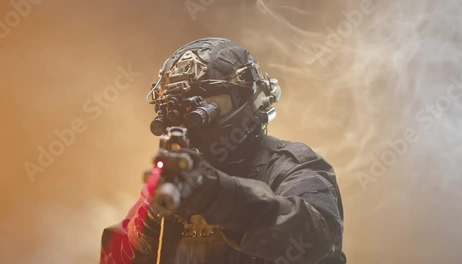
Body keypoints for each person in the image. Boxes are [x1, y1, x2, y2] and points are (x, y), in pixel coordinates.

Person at [100, 37, 346, 264]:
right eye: (179, 111)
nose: (189, 122)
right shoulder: (175, 181)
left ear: (245, 99)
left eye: (205, 108)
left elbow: (315, 236)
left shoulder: (291, 167)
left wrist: (218, 197)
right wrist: (146, 224)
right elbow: (113, 255)